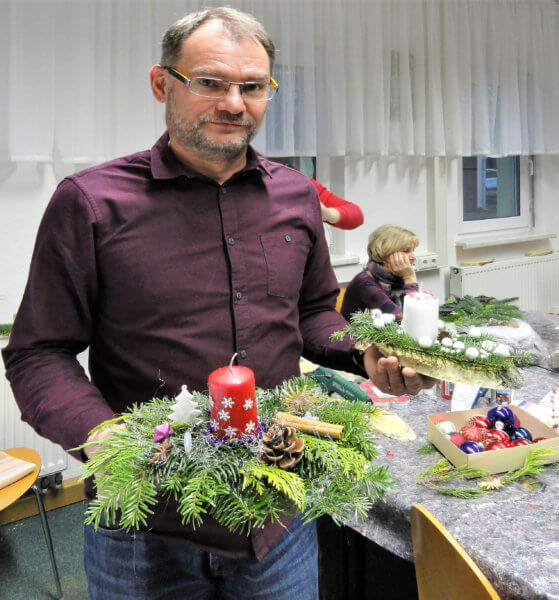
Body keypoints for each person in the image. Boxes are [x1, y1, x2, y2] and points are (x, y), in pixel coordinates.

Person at [2, 8, 434, 599]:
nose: (234, 103)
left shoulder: (295, 197)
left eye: (252, 87)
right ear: (163, 84)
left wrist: (365, 352)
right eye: (209, 82)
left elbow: (313, 314)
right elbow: (39, 352)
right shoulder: (92, 203)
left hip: (279, 513)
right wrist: (102, 438)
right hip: (145, 525)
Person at [341, 224, 419, 322]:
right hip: (358, 337)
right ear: (384, 253)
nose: (413, 257)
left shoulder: (396, 277)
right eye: (406, 251)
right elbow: (405, 319)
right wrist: (410, 278)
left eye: (413, 250)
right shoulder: (364, 283)